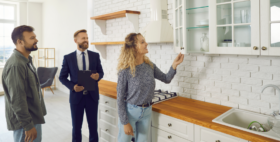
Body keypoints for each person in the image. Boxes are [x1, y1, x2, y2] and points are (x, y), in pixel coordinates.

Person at [117, 33, 184, 142]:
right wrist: (125, 122)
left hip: (147, 112)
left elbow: (166, 78)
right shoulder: (125, 70)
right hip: (130, 112)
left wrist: (174, 65)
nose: (146, 43)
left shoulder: (149, 65)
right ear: (134, 47)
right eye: (142, 42)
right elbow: (119, 99)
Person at [2, 25, 47, 142]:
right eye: (32, 38)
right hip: (25, 123)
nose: (36, 40)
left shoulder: (26, 60)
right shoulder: (16, 65)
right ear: (20, 42)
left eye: (35, 37)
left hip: (32, 117)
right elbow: (17, 99)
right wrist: (27, 125)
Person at [59, 29, 104, 142]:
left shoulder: (95, 55)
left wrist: (98, 76)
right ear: (76, 40)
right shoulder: (68, 58)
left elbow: (101, 72)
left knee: (93, 127)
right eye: (83, 38)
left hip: (92, 97)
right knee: (76, 128)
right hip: (76, 98)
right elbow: (62, 77)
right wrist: (72, 87)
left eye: (87, 38)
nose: (86, 40)